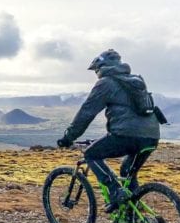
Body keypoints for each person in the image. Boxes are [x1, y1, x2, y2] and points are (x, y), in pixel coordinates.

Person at [57, 49, 160, 212]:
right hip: (152, 136)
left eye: (96, 70)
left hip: (126, 135)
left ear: (101, 67)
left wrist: (68, 137)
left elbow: (86, 112)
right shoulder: (135, 81)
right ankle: (130, 219)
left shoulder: (105, 83)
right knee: (127, 171)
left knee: (91, 154)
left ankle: (115, 191)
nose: (96, 73)